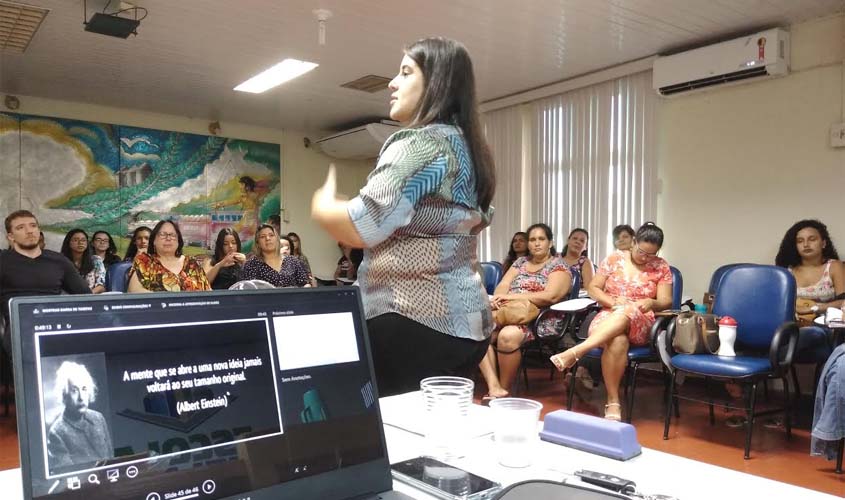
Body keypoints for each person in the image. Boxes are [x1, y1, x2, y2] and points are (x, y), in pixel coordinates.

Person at [311, 37, 496, 396]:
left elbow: (361, 227)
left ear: (437, 84)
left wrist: (323, 206)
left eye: (406, 72)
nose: (392, 83)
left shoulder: (420, 144)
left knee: (400, 440)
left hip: (413, 320)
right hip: (469, 325)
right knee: (435, 436)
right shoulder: (470, 148)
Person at [550, 222, 673, 421]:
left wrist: (651, 302)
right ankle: (613, 402)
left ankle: (576, 351)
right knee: (618, 341)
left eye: (651, 254)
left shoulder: (661, 266)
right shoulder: (613, 259)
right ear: (634, 242)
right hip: (609, 315)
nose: (645, 258)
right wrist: (614, 301)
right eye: (642, 251)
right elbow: (594, 289)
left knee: (628, 311)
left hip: (641, 321)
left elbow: (666, 300)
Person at [479, 223, 570, 399]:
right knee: (480, 331)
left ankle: (505, 389)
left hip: (539, 319)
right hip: (508, 312)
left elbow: (550, 297)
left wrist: (512, 298)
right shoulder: (521, 262)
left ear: (550, 243)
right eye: (533, 239)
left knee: (508, 335)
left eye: (541, 239)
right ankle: (495, 386)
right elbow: (504, 285)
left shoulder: (558, 265)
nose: (536, 243)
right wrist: (499, 298)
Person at [0, 211, 90, 353]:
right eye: (20, 228)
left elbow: (86, 297)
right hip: (18, 331)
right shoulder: (3, 261)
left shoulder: (58, 260)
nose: (29, 231)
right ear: (11, 237)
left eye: (33, 225)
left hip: (55, 327)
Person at [46, 360, 112, 472]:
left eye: (84, 389)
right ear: (64, 395)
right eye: (74, 390)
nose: (81, 397)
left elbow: (112, 458)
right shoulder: (56, 433)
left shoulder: (99, 418)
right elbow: (67, 475)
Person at [775, 219, 844, 317]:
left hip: (825, 324)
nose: (806, 244)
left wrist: (814, 308)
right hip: (792, 323)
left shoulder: (834, 266)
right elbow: (778, 302)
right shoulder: (787, 271)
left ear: (823, 243)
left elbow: (843, 302)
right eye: (800, 241)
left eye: (812, 239)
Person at [127, 220, 210, 292]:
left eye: (172, 235)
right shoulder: (144, 262)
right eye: (163, 234)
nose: (168, 238)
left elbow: (208, 292)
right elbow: (134, 290)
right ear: (154, 241)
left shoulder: (192, 263)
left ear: (178, 241)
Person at [241, 225, 310, 287]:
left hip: (294, 300)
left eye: (271, 235)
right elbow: (248, 290)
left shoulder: (292, 261)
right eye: (263, 237)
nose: (268, 238)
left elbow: (305, 283)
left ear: (277, 239)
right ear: (258, 243)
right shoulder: (251, 264)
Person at [60, 229, 106, 294]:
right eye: (76, 240)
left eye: (83, 240)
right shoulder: (61, 261)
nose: (80, 243)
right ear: (68, 243)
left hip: (91, 297)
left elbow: (101, 286)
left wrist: (87, 296)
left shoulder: (96, 260)